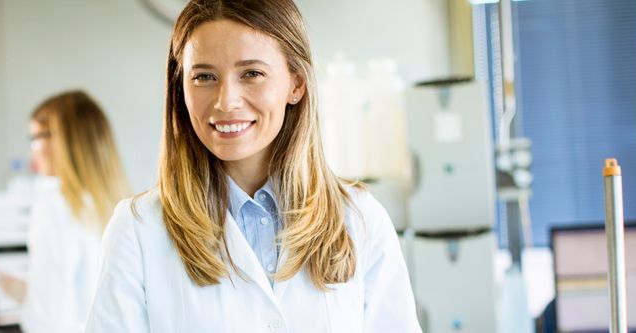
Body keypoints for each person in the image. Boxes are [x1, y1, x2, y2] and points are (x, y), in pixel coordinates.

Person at [86, 0, 422, 332]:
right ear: (180, 89)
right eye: (204, 76)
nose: (226, 100)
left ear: (296, 83)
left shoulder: (360, 219)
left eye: (251, 73)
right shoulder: (138, 230)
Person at [0, 90, 131, 333]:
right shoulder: (118, 204)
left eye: (35, 139)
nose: (32, 152)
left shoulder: (56, 206)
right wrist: (26, 290)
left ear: (63, 140)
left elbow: (47, 317)